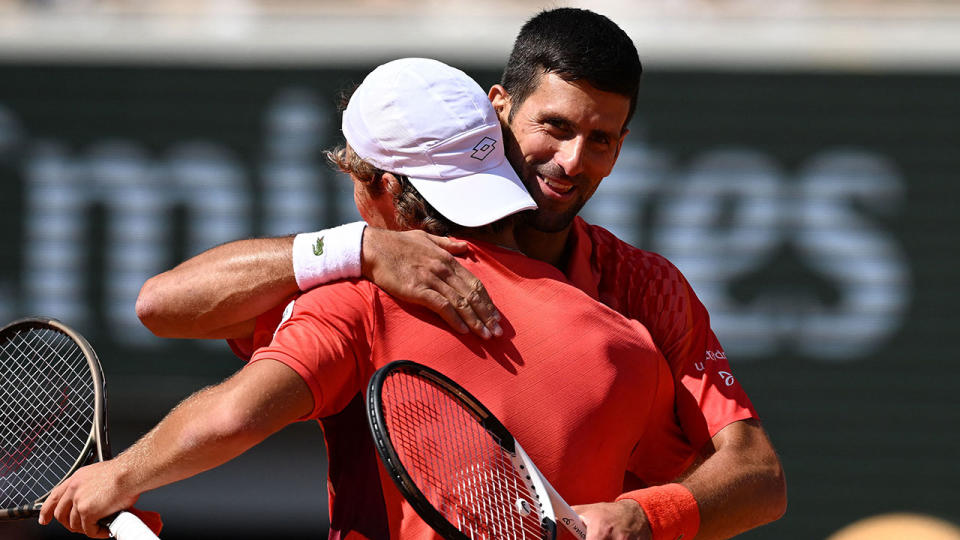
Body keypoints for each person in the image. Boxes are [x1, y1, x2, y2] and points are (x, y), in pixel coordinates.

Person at [136, 9, 787, 540]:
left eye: (603, 140)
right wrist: (354, 248)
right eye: (554, 127)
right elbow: (166, 305)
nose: (571, 161)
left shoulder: (649, 292)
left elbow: (758, 476)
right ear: (499, 107)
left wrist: (642, 516)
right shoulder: (378, 276)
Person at [39, 58, 685, 540]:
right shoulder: (625, 345)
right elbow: (720, 485)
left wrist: (120, 476)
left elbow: (222, 399)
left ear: (376, 186)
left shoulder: (360, 305)